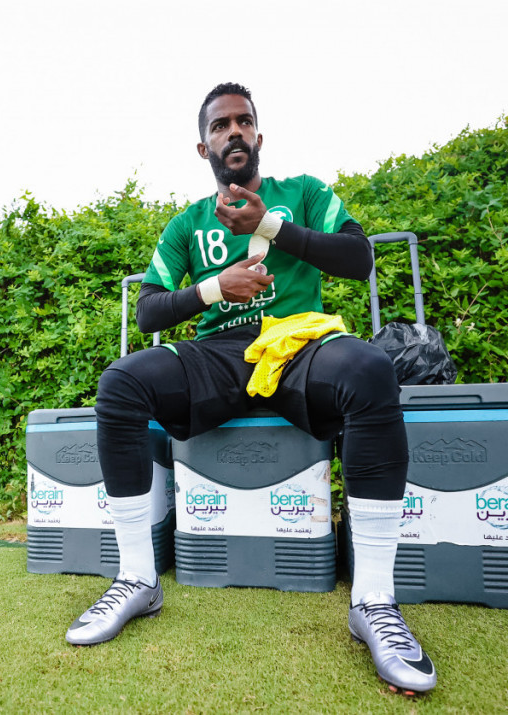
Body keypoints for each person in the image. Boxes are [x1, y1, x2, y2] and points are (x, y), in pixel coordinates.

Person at [64, 83, 436, 695]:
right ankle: (138, 580)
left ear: (259, 136)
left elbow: (358, 258)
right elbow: (150, 310)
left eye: (243, 121)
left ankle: (373, 601)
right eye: (220, 125)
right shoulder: (187, 223)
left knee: (370, 368)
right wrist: (216, 288)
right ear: (203, 147)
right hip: (219, 355)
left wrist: (269, 226)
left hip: (297, 343)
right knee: (121, 382)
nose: (233, 131)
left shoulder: (304, 193)